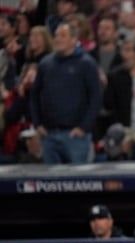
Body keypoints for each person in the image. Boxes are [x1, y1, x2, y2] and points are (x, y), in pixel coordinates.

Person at [30, 22, 102, 164]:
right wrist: (37, 123)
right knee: (50, 183)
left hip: (76, 136)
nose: (58, 39)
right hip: (49, 135)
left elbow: (96, 97)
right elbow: (34, 95)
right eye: (56, 35)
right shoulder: (45, 64)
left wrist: (84, 127)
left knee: (79, 183)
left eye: (63, 35)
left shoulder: (86, 63)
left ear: (74, 40)